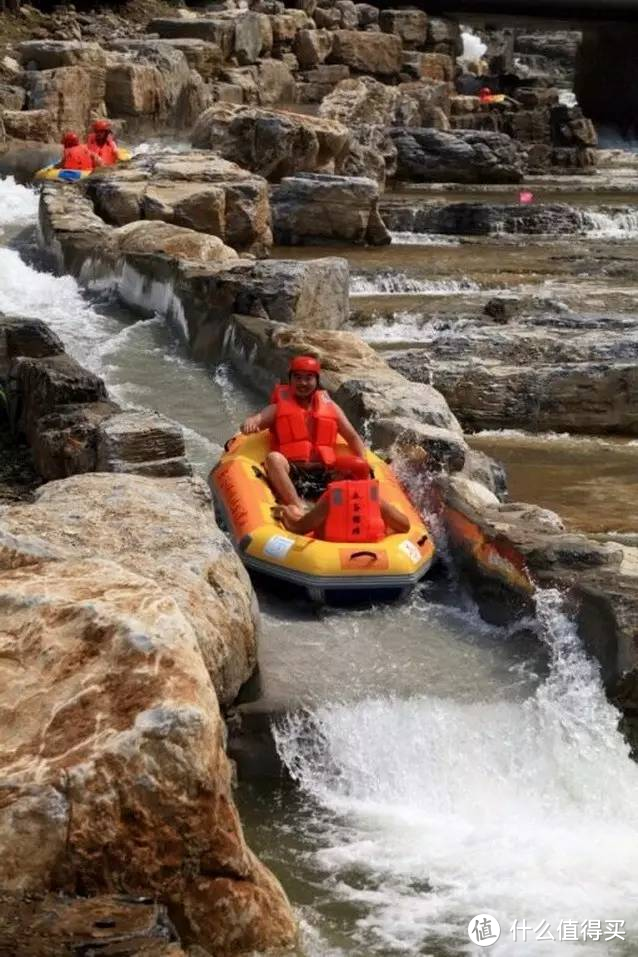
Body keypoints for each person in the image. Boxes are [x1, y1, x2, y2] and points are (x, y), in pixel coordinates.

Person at [241, 355, 367, 520]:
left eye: (308, 378)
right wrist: (249, 424)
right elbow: (256, 420)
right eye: (298, 378)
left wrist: (365, 465)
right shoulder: (277, 408)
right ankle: (297, 505)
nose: (303, 383)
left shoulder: (331, 408)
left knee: (355, 466)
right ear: (290, 380)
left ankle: (352, 510)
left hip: (324, 472)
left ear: (316, 381)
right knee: (274, 459)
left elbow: (352, 437)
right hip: (293, 471)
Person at [273, 456, 411, 541]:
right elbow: (405, 526)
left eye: (336, 473)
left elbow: (300, 527)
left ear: (348, 476)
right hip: (368, 555)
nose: (331, 476)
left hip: (328, 553)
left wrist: (285, 513)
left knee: (293, 509)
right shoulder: (375, 500)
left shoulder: (333, 497)